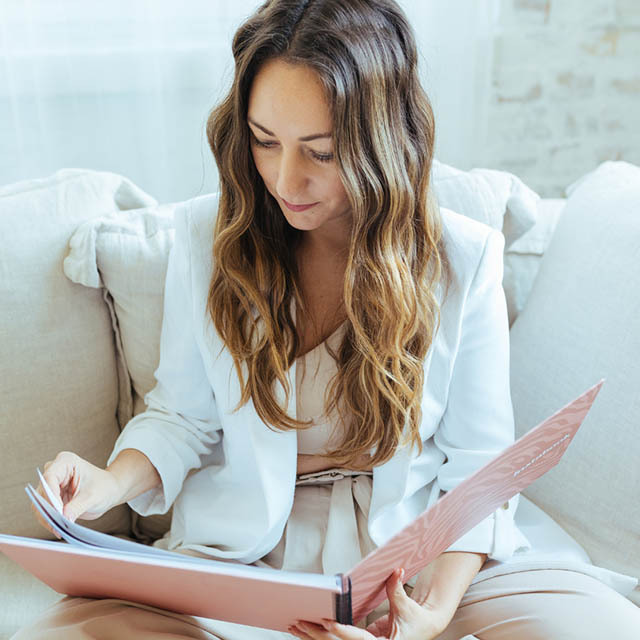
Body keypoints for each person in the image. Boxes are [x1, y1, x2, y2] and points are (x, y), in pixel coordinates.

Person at [15, 1, 640, 638]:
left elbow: (478, 471)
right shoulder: (208, 240)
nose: (287, 180)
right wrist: (105, 482)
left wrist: (433, 614)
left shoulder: (462, 257)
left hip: (419, 556)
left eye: (322, 151)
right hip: (251, 560)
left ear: (380, 142)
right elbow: (183, 417)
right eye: (265, 142)